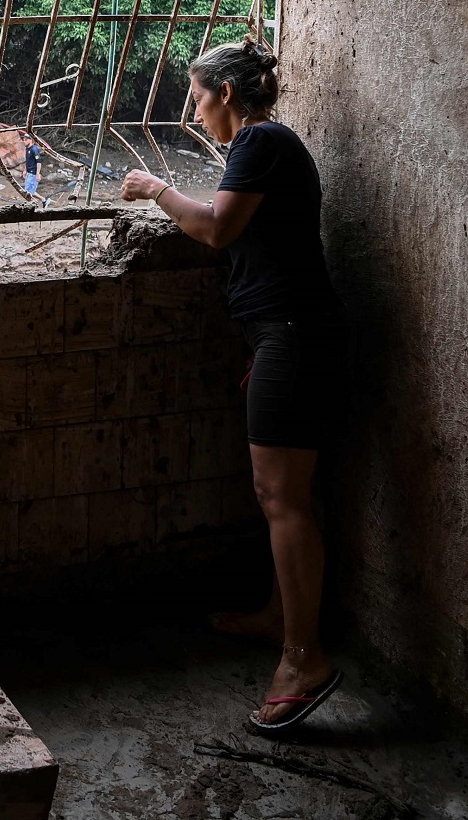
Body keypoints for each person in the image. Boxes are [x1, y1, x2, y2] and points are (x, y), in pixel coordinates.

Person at [119, 35, 347, 733]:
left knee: (282, 496)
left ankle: (303, 658)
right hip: (285, 334)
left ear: (225, 94)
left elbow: (217, 229)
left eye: (196, 97)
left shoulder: (259, 142)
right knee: (280, 494)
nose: (195, 113)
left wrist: (155, 187)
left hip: (291, 335)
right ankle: (280, 615)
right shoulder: (268, 147)